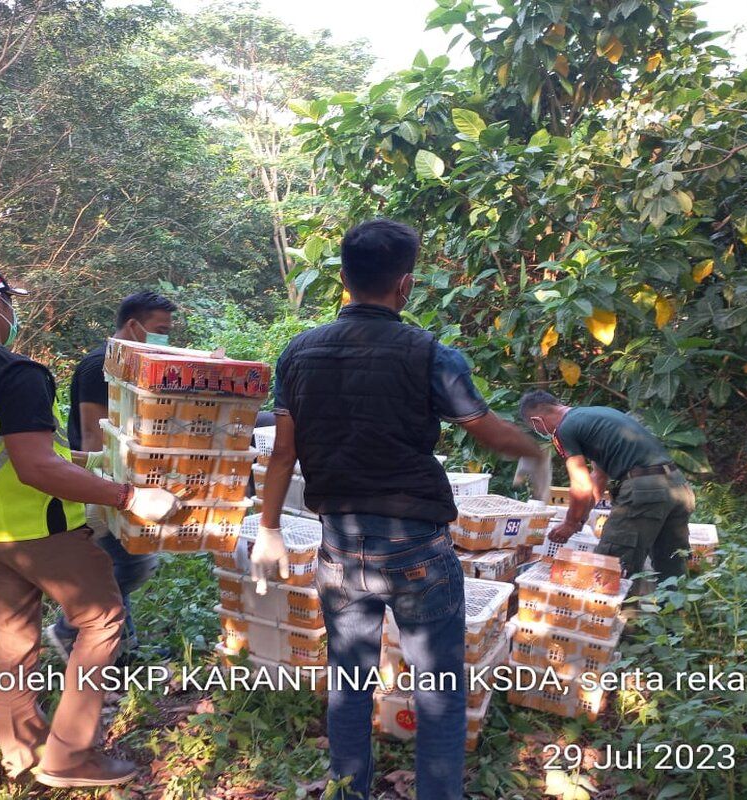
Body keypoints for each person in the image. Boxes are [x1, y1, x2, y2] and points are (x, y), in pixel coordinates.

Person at [254, 219, 543, 800]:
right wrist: (536, 451)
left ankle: (348, 791)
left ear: (343, 278)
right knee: (438, 686)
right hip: (414, 543)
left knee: (349, 682)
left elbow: (282, 451)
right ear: (405, 285)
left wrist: (268, 529)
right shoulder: (430, 353)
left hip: (339, 543)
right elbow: (484, 430)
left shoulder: (299, 353)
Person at [0, 262, 180, 789]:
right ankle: (70, 755)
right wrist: (129, 495)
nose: (13, 310)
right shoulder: (17, 373)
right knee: (102, 620)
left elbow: (3, 449)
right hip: (41, 532)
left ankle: (21, 755)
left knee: (12, 640)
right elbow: (34, 466)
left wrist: (90, 467)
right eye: (9, 301)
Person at [46, 291, 178, 664]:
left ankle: (125, 647)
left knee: (118, 561)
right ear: (133, 326)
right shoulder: (99, 366)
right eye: (159, 330)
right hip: (105, 481)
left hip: (126, 478)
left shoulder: (135, 364)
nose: (164, 339)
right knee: (130, 564)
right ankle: (69, 629)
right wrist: (103, 493)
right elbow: (93, 434)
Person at [518, 390, 695, 580]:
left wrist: (569, 523)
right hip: (677, 486)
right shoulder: (594, 415)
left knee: (611, 564)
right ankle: (679, 609)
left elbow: (581, 484)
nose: (542, 432)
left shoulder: (564, 428)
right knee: (671, 562)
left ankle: (621, 610)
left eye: (536, 427)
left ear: (537, 420)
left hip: (645, 490)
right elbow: (599, 477)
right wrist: (580, 518)